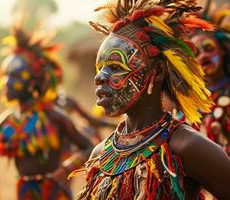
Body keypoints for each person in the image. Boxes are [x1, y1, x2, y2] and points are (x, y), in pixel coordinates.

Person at [75, 0, 230, 199]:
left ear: (156, 72)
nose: (99, 77)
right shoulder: (100, 155)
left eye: (115, 67)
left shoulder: (186, 147)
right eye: (100, 67)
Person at [0, 23, 93, 200]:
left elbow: (88, 146)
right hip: (25, 193)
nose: (7, 82)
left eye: (15, 76)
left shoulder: (53, 116)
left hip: (54, 192)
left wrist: (65, 169)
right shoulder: (8, 119)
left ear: (33, 81)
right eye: (6, 75)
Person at [190, 4, 230, 155]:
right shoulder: (188, 102)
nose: (203, 56)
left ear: (223, 50)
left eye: (209, 48)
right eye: (196, 53)